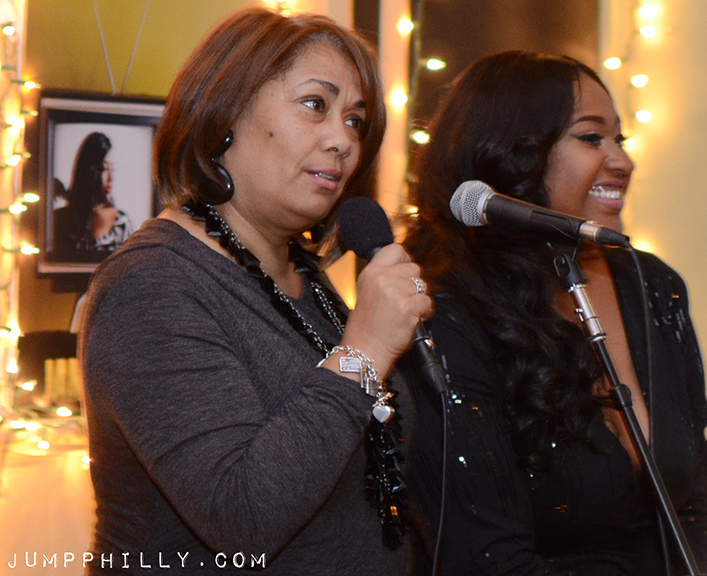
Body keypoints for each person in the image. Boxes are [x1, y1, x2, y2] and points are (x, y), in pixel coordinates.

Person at [78, 8, 432, 575]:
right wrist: (364, 352)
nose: (343, 140)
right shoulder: (150, 285)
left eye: (356, 121)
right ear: (225, 113)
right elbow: (240, 518)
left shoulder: (305, 278)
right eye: (315, 104)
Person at [403, 51, 707, 575]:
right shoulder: (446, 311)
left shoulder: (652, 285)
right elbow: (485, 556)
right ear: (511, 155)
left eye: (620, 139)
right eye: (591, 138)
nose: (622, 161)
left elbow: (692, 507)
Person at [53, 132, 133, 260]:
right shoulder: (60, 219)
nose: (111, 178)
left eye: (113, 169)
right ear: (90, 170)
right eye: (105, 168)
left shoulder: (121, 222)